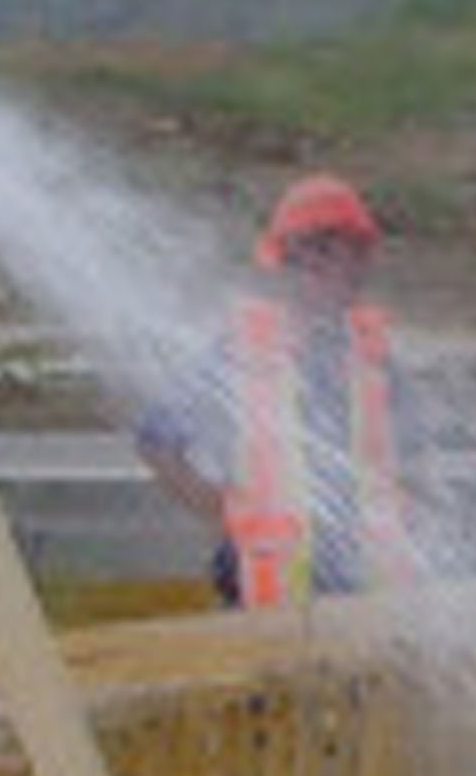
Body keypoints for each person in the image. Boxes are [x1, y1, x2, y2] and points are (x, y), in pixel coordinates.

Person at [132, 173, 413, 609]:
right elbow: (156, 440)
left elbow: (411, 469)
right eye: (320, 251)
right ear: (288, 261)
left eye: (349, 251)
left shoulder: (375, 361)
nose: (337, 267)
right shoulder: (240, 354)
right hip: (264, 600)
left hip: (363, 600)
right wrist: (222, 512)